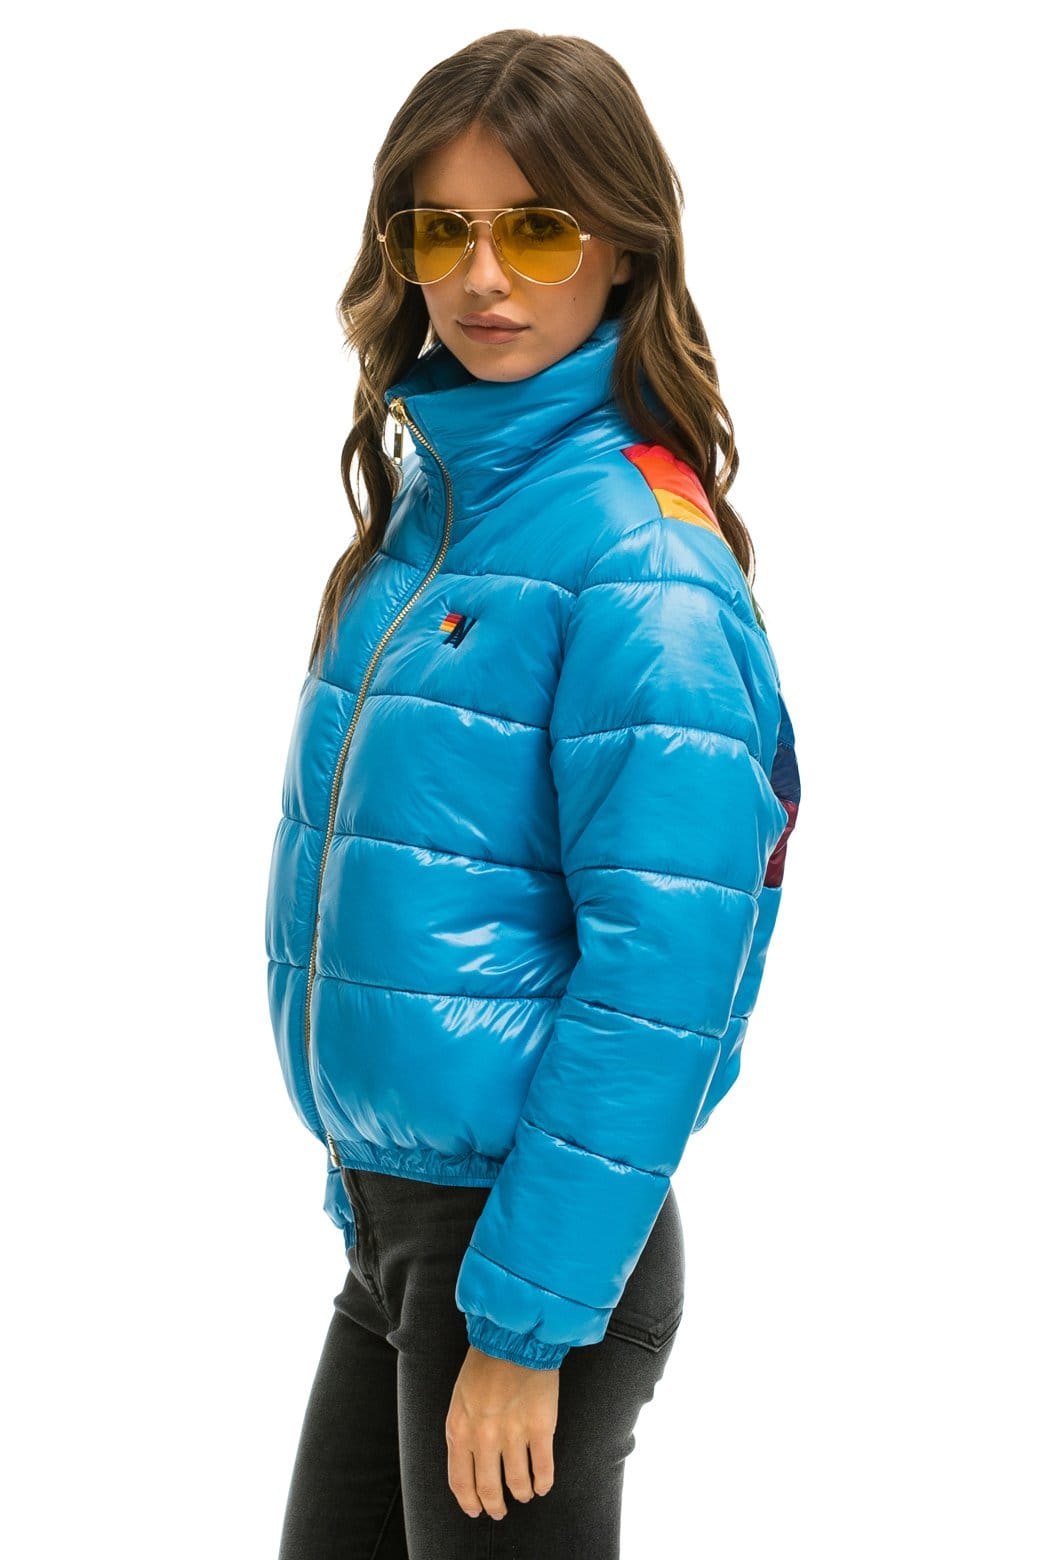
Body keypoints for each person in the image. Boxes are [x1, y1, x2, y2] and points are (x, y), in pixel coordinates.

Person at [265, 27, 801, 1559]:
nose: (484, 276)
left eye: (538, 228)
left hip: (523, 1257)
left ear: (622, 247)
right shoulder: (436, 516)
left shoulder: (640, 562)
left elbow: (665, 976)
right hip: (399, 1226)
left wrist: (528, 1320)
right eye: (441, 230)